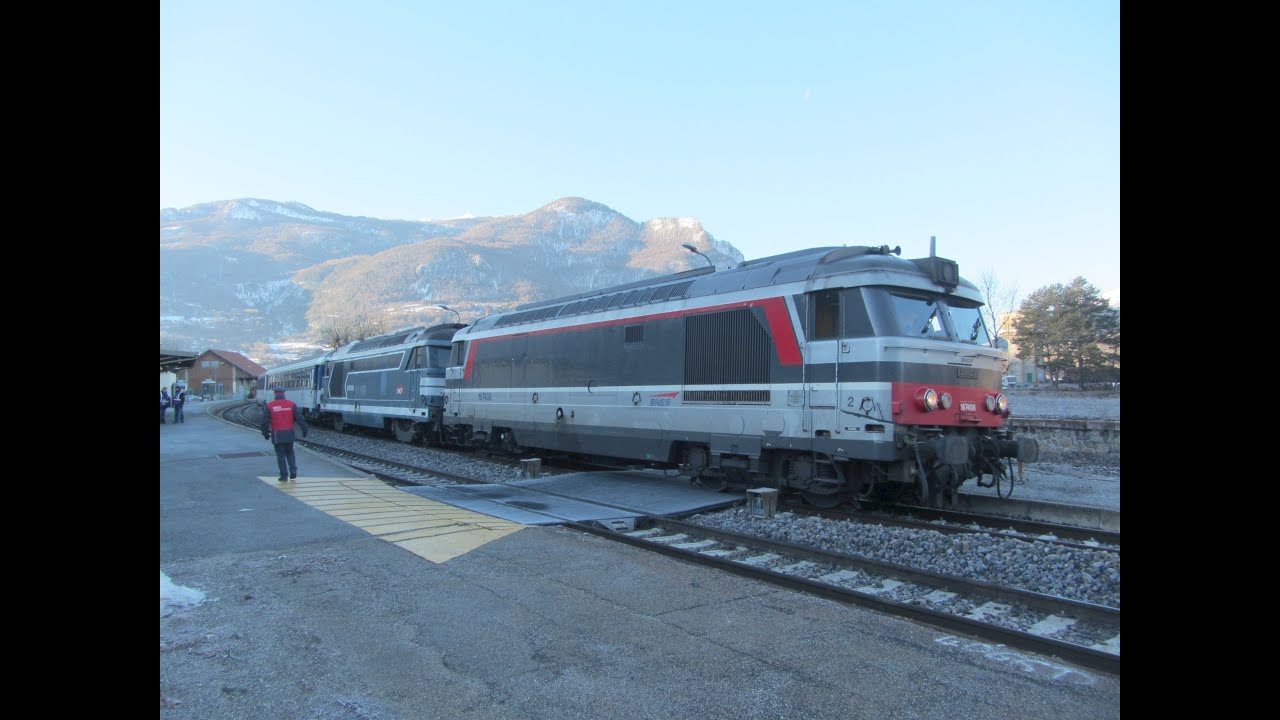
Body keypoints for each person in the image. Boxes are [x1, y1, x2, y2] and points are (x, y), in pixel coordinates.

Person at [261, 387, 309, 482]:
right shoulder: (291, 404)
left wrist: (265, 433)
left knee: (281, 455)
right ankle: (293, 471)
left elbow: (265, 422)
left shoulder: (270, 406)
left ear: (275, 394)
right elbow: (300, 418)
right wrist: (305, 429)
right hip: (289, 433)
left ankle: (284, 475)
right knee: (290, 452)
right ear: (284, 394)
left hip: (277, 434)